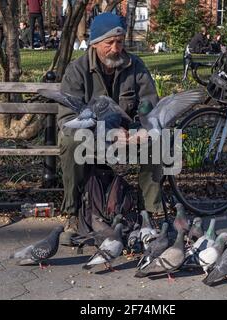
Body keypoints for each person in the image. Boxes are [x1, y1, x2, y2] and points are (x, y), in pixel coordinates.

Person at [57, 13, 163, 245]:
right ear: (95, 44)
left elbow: (150, 107)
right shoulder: (77, 70)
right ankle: (73, 214)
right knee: (69, 141)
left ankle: (148, 215)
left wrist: (140, 130)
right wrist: (106, 133)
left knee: (158, 140)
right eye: (109, 43)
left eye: (120, 41)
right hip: (91, 136)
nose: (116, 48)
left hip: (128, 136)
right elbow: (67, 119)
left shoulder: (136, 66)